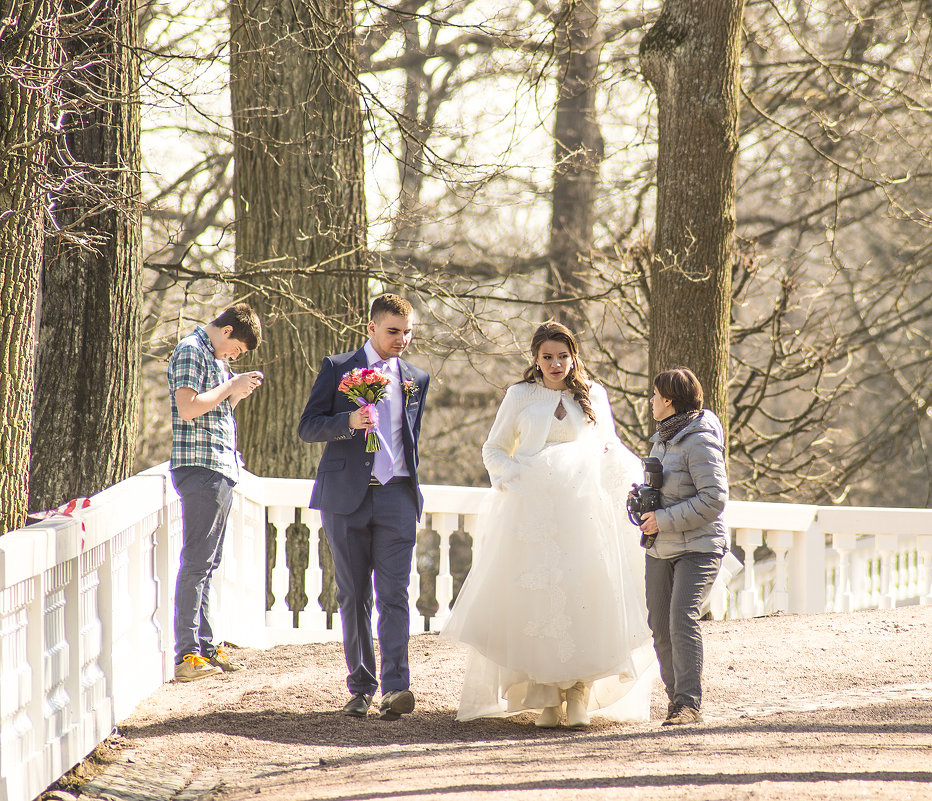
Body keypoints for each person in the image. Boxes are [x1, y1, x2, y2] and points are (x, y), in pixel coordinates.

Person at [442, 322, 654, 728]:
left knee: (584, 593)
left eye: (562, 356)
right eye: (547, 357)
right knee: (538, 598)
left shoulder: (593, 394)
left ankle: (579, 693)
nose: (555, 364)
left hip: (583, 515)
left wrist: (621, 479)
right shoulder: (520, 395)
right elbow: (494, 450)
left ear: (573, 356)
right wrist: (518, 479)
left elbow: (608, 446)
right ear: (535, 359)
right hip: (535, 517)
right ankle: (546, 698)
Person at [298, 294, 430, 720]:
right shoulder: (337, 369)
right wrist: (347, 422)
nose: (402, 339)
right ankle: (361, 687)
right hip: (345, 498)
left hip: (397, 495)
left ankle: (397, 688)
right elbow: (308, 426)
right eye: (393, 331)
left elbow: (410, 437)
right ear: (370, 327)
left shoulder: (416, 379)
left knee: (395, 593)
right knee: (353, 594)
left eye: (408, 331)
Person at [168, 303, 264, 681]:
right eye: (236, 349)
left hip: (221, 467)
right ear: (226, 332)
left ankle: (206, 646)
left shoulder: (213, 359)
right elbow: (188, 408)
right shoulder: (191, 350)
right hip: (200, 467)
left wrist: (237, 391)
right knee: (196, 563)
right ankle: (187, 655)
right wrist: (230, 385)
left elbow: (215, 407)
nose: (233, 356)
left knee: (209, 563)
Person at [637, 367, 728, 726]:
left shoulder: (700, 440)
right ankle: (677, 701)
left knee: (681, 618)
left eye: (655, 396)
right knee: (659, 623)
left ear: (669, 401)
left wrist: (664, 518)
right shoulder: (661, 439)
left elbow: (714, 499)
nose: (651, 402)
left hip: (700, 546)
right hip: (661, 546)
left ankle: (689, 704)